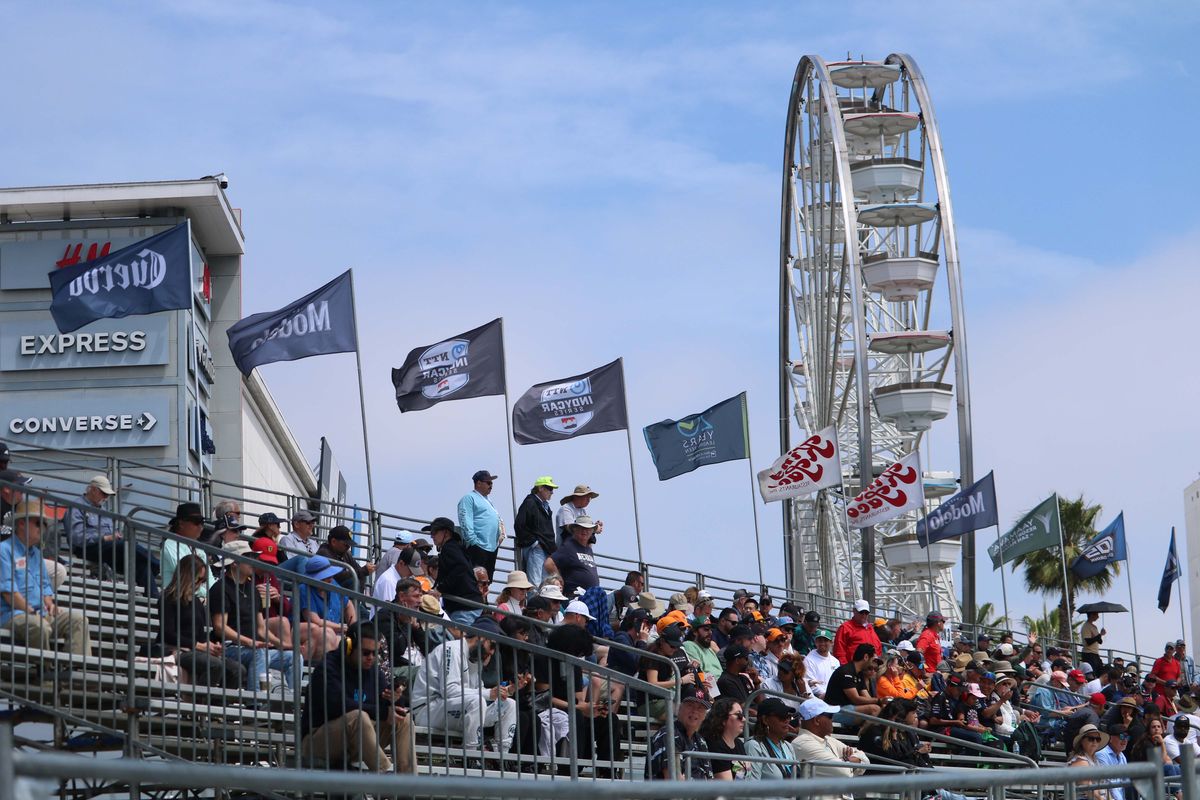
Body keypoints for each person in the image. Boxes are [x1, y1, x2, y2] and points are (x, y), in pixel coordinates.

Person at [299, 623, 413, 774]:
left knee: (404, 720)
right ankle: (384, 776)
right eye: (366, 653)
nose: (371, 658)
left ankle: (409, 785)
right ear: (349, 647)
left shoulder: (374, 671)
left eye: (375, 653)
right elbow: (338, 705)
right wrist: (383, 712)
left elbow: (386, 707)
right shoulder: (328, 667)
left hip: (356, 741)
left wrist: (395, 699)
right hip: (316, 742)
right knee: (358, 717)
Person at [411, 616, 517, 755]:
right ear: (481, 637)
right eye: (492, 646)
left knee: (509, 704)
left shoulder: (475, 659)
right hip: (427, 710)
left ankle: (501, 756)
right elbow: (449, 691)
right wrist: (488, 693)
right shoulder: (451, 649)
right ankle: (472, 756)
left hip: (455, 709)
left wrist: (504, 691)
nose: (492, 652)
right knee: (477, 701)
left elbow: (477, 691)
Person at [1, 499, 92, 655]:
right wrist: (30, 611)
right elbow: (9, 593)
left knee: (79, 620)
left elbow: (45, 587)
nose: (43, 528)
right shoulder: (4, 550)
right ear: (22, 524)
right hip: (12, 614)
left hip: (38, 614)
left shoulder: (36, 554)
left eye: (44, 524)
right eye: (38, 523)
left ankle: (74, 675)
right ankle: (46, 675)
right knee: (39, 626)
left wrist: (50, 604)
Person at [207, 540, 299, 691]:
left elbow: (261, 629)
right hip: (229, 647)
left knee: (294, 657)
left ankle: (293, 703)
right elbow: (219, 628)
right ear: (234, 563)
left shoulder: (253, 589)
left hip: (252, 648)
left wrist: (283, 645)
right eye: (248, 557)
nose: (253, 561)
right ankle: (257, 703)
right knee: (259, 653)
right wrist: (250, 642)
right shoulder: (220, 588)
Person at [158, 555, 245, 687]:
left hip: (195, 650)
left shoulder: (197, 602)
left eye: (203, 581)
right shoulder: (168, 598)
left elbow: (200, 635)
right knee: (215, 665)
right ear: (187, 575)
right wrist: (198, 645)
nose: (200, 585)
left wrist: (211, 646)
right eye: (199, 579)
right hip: (174, 649)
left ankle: (219, 705)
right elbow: (168, 633)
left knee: (237, 669)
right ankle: (200, 703)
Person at [66, 475, 159, 595]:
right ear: (93, 490)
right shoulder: (76, 507)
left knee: (142, 565)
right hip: (88, 548)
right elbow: (76, 537)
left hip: (108, 549)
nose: (106, 497)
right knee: (126, 545)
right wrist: (105, 538)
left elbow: (112, 534)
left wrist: (114, 536)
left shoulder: (104, 510)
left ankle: (154, 601)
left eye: (107, 495)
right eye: (104, 493)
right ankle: (156, 564)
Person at [792, 696, 872, 794]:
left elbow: (865, 760)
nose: (832, 720)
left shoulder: (828, 739)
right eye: (830, 716)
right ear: (817, 720)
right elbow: (843, 772)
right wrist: (852, 761)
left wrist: (845, 762)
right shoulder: (802, 743)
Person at [428, 516, 484, 625]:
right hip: (467, 605)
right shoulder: (454, 547)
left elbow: (461, 568)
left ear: (446, 533)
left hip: (464, 608)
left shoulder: (449, 548)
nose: (432, 536)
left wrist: (440, 588)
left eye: (434, 532)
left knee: (461, 641)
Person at [297, 556, 357, 653]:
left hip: (334, 633)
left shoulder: (332, 583)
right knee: (328, 635)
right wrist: (343, 628)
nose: (331, 578)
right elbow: (315, 621)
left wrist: (353, 627)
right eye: (326, 576)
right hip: (309, 636)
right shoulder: (304, 589)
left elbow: (348, 604)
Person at [646, 693, 712, 780]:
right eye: (690, 705)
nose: (695, 711)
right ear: (679, 709)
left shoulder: (700, 740)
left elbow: (709, 778)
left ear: (705, 715)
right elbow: (673, 780)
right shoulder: (668, 735)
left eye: (700, 708)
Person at [159, 502, 215, 598]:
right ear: (181, 524)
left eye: (202, 522)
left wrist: (215, 594)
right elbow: (187, 579)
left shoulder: (198, 547)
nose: (201, 526)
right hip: (176, 600)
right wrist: (211, 595)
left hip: (195, 599)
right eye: (196, 521)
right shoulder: (170, 545)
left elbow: (210, 579)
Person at [742, 696, 802, 781]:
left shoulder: (788, 746)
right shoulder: (754, 746)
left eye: (788, 716)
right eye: (781, 716)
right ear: (765, 720)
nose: (787, 720)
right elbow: (752, 787)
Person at [513, 476, 558, 587]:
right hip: (537, 549)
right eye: (549, 488)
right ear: (540, 488)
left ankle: (541, 604)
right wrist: (534, 543)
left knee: (545, 584)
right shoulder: (530, 502)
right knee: (535, 583)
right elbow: (519, 525)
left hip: (545, 549)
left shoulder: (545, 506)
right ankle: (535, 604)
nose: (552, 492)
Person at [457, 469, 502, 578]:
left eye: (491, 483)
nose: (491, 485)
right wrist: (473, 541)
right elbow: (465, 519)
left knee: (487, 579)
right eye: (488, 482)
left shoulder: (487, 500)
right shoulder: (469, 498)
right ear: (478, 483)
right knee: (475, 578)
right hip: (478, 546)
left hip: (491, 547)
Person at [545, 515, 600, 598]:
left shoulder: (588, 549)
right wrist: (559, 579)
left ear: (592, 531)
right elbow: (549, 563)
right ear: (575, 529)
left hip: (590, 597)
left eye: (588, 528)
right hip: (575, 596)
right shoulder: (569, 546)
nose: (585, 531)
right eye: (581, 528)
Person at [823, 643, 881, 717]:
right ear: (866, 657)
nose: (873, 664)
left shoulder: (859, 673)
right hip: (833, 710)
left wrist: (882, 703)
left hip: (845, 708)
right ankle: (864, 729)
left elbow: (867, 697)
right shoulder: (846, 672)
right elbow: (856, 699)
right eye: (873, 660)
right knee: (875, 709)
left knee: (881, 708)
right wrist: (879, 700)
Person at [702, 697, 749, 780]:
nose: (744, 719)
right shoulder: (714, 745)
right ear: (723, 718)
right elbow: (727, 787)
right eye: (739, 715)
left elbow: (747, 777)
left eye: (743, 715)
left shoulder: (739, 744)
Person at [317, 525, 373, 590]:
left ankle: (355, 599)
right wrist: (363, 571)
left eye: (349, 545)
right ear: (333, 542)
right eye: (346, 544)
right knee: (353, 581)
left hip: (337, 593)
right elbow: (337, 576)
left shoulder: (345, 553)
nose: (348, 547)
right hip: (327, 592)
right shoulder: (324, 553)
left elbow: (358, 570)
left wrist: (363, 571)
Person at [832, 599, 882, 664]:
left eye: (866, 613)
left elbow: (878, 648)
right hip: (854, 670)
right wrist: (847, 669)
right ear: (854, 611)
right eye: (861, 612)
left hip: (870, 669)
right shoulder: (845, 628)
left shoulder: (870, 628)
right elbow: (839, 652)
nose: (864, 615)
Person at [1068, 723, 1110, 798]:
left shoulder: (1095, 760)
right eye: (1091, 739)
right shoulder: (1080, 761)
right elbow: (1089, 790)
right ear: (1081, 741)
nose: (1095, 742)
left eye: (1098, 739)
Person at [1095, 724, 1130, 800]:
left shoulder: (1122, 756)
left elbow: (1126, 783)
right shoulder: (1101, 754)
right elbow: (1108, 784)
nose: (1125, 740)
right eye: (1122, 736)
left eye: (1127, 737)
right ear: (1110, 738)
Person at [803, 629, 839, 699]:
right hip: (817, 698)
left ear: (831, 642)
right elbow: (810, 684)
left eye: (825, 640)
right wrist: (826, 695)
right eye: (820, 641)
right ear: (815, 642)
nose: (822, 643)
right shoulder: (808, 660)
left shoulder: (835, 661)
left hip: (834, 697)